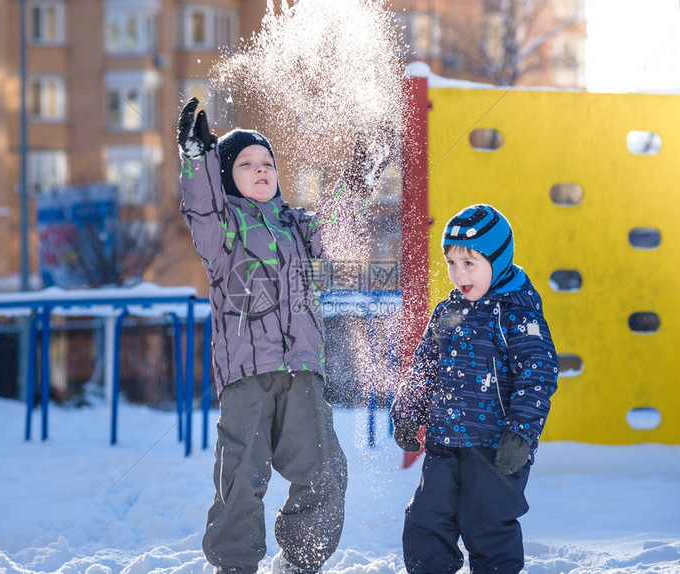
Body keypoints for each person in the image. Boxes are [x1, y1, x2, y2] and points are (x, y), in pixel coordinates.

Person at [176, 97, 389, 574]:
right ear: (227, 177)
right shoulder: (223, 230)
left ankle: (301, 558)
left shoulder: (297, 225)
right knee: (242, 477)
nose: (260, 170)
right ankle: (233, 564)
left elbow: (336, 224)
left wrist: (360, 175)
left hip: (302, 373)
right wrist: (197, 159)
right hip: (247, 376)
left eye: (268, 162)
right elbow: (202, 209)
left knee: (326, 470)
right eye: (246, 164)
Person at [390, 203, 559, 574]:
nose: (458, 273)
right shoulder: (446, 311)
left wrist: (521, 432)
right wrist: (407, 411)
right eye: (451, 262)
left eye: (470, 263)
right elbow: (424, 368)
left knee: (488, 527)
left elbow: (538, 374)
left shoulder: (518, 312)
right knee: (425, 523)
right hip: (443, 444)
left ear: (497, 261)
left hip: (495, 450)